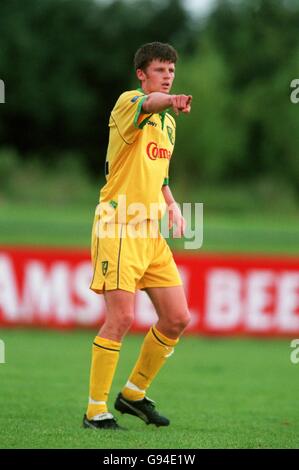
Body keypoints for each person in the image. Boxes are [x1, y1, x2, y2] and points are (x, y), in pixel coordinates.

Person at [83, 42, 192, 430]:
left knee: (177, 318)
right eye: (161, 70)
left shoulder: (170, 123)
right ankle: (95, 410)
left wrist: (173, 205)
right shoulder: (129, 103)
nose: (167, 76)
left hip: (151, 231)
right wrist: (171, 98)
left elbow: (159, 176)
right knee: (121, 318)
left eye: (172, 71)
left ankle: (132, 394)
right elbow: (153, 103)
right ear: (142, 74)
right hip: (118, 226)